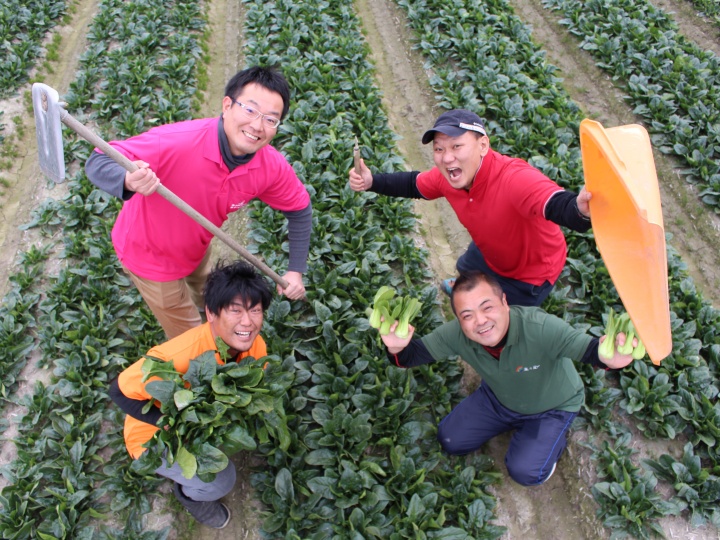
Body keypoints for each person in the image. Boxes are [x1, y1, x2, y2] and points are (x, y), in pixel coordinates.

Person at [86, 66, 311, 338]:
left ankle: (212, 320)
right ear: (227, 105)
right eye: (250, 110)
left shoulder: (270, 166)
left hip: (197, 245)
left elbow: (299, 209)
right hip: (150, 255)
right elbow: (98, 159)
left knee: (208, 291)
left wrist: (296, 270)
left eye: (270, 119)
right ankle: (204, 364)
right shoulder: (175, 142)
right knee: (192, 335)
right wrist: (127, 179)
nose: (256, 125)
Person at [378, 271, 635, 486]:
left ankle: (549, 439)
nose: (480, 321)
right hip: (499, 398)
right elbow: (412, 356)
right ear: (458, 320)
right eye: (466, 315)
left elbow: (590, 350)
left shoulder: (541, 328)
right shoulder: (456, 334)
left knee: (527, 473)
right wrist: (397, 348)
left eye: (486, 307)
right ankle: (509, 420)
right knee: (450, 440)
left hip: (552, 406)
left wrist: (610, 358)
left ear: (504, 301)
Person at [349, 108, 592, 307]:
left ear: (483, 145)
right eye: (439, 149)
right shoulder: (448, 177)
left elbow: (555, 203)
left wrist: (578, 209)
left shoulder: (514, 178)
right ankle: (463, 287)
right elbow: (413, 184)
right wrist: (372, 182)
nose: (446, 157)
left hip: (530, 273)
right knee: (466, 269)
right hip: (489, 250)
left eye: (457, 146)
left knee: (500, 321)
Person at [108, 260, 272, 529]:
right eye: (235, 311)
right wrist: (171, 422)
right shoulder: (178, 357)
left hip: (200, 424)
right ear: (210, 313)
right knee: (220, 480)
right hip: (153, 435)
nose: (248, 322)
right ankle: (190, 497)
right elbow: (117, 390)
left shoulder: (255, 347)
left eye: (255, 310)